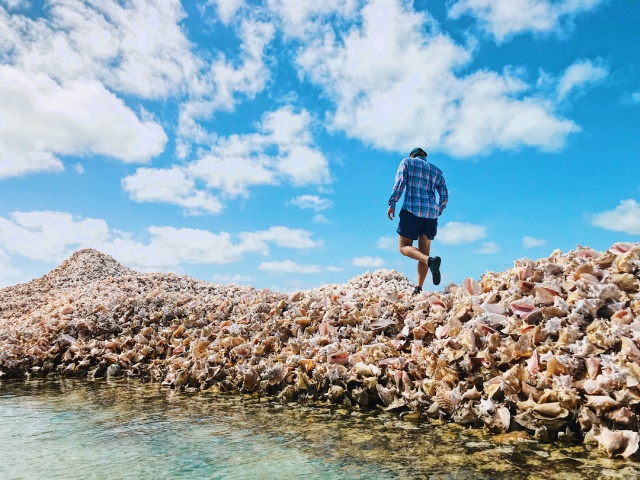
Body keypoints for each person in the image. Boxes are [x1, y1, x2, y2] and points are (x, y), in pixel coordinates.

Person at [387, 147, 448, 294]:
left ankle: (430, 262)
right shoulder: (437, 171)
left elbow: (400, 183)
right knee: (424, 251)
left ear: (412, 155)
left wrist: (392, 203)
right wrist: (437, 210)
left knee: (404, 247)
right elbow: (444, 195)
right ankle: (419, 288)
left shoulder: (407, 162)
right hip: (431, 214)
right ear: (425, 157)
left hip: (411, 210)